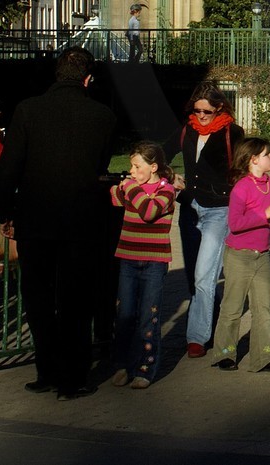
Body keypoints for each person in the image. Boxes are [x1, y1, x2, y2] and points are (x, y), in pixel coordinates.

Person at [0, 47, 117, 401]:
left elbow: (10, 168)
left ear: (56, 74)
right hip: (82, 219)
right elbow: (100, 165)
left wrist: (6, 213)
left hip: (36, 218)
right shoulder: (103, 116)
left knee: (39, 298)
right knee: (77, 300)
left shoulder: (28, 110)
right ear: (87, 79)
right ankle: (74, 377)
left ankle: (47, 369)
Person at [212, 137, 270, 373]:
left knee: (263, 309)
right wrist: (265, 214)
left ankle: (264, 358)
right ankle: (224, 354)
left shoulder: (269, 183)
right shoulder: (242, 187)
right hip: (238, 256)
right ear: (254, 160)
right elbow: (235, 224)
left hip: (262, 256)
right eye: (268, 154)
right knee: (232, 308)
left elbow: (262, 219)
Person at [176, 84, 243, 359]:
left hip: (218, 210)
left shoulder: (232, 132)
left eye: (207, 111)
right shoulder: (187, 129)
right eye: (197, 110)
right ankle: (209, 321)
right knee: (195, 276)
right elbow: (160, 155)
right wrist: (167, 174)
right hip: (190, 208)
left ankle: (197, 338)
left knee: (205, 275)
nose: (201, 115)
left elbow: (241, 168)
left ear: (219, 108)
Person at [109, 141, 176, 390]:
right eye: (131, 166)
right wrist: (122, 188)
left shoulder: (166, 190)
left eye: (137, 166)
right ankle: (122, 365)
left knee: (150, 316)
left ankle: (145, 368)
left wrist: (130, 188)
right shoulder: (132, 188)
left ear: (154, 167)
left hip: (154, 263)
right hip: (128, 258)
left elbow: (148, 212)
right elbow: (115, 198)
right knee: (125, 314)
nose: (133, 171)